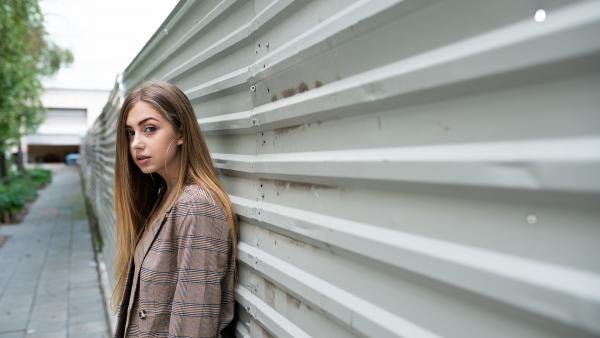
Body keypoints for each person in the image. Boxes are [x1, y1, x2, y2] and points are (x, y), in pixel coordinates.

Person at [111, 80, 237, 338]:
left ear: (181, 132)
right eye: (130, 132)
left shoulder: (196, 206)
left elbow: (194, 327)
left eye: (150, 129)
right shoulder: (163, 196)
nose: (136, 143)